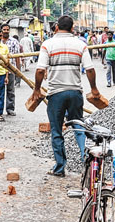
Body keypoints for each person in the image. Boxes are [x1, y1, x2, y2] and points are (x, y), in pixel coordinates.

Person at [31, 15, 103, 177]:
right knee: (79, 128)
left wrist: (36, 89)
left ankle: (59, 168)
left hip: (56, 94)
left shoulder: (47, 45)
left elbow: (40, 70)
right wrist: (94, 89)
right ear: (72, 28)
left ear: (56, 27)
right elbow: (90, 69)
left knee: (57, 131)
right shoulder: (80, 45)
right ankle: (87, 162)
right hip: (75, 93)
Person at [2, 24, 21, 116]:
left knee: (11, 90)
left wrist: (18, 70)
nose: (6, 31)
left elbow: (17, 56)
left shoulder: (14, 41)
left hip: (11, 69)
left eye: (7, 29)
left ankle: (10, 109)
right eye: (4, 29)